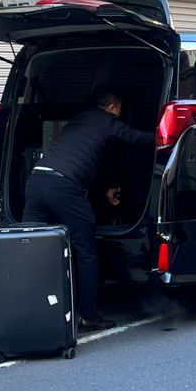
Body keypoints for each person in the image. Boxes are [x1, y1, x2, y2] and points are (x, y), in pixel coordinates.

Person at [23, 84, 155, 331]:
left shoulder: (80, 119)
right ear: (113, 107)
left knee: (33, 249)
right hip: (62, 188)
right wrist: (168, 132)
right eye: (120, 109)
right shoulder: (109, 121)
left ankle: (30, 312)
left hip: (36, 182)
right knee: (85, 252)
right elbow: (137, 138)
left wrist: (104, 188)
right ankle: (88, 316)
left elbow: (82, 160)